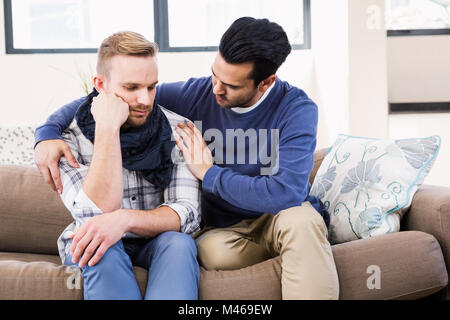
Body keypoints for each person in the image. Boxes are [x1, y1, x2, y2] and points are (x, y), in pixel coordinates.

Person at [34, 17, 339, 300]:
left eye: (230, 85)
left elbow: (286, 193)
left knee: (301, 220)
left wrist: (209, 173)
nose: (216, 89)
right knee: (199, 250)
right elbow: (102, 97)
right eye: (214, 75)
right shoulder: (196, 94)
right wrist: (47, 131)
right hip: (224, 232)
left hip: (278, 216)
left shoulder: (296, 108)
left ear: (265, 83)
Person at [46, 31, 201, 300]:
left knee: (179, 243)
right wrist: (108, 128)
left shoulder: (177, 130)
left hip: (158, 242)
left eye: (151, 87)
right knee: (98, 245)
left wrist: (125, 220)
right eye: (131, 88)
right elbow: (94, 213)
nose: (146, 100)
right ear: (100, 85)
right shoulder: (66, 140)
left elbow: (185, 213)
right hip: (95, 243)